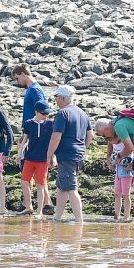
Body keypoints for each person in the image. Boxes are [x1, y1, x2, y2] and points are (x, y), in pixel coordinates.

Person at [46, 85, 93, 222]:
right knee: (62, 187)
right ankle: (57, 217)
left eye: (56, 98)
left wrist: (49, 154)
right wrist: (82, 149)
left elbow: (56, 136)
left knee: (71, 188)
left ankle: (80, 220)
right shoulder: (82, 113)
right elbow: (90, 136)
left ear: (62, 98)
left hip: (67, 155)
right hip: (78, 155)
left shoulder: (63, 113)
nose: (55, 101)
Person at [13, 63, 52, 212]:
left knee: (31, 169)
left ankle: (29, 204)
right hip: (29, 130)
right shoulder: (32, 89)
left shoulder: (35, 90)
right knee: (32, 171)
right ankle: (45, 204)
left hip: (34, 134)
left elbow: (44, 112)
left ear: (23, 74)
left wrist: (29, 136)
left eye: (17, 78)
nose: (18, 82)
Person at [17, 100, 53, 216]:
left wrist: (53, 156)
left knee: (40, 185)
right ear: (36, 112)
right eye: (43, 114)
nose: (45, 116)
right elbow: (24, 140)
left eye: (47, 114)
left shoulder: (50, 124)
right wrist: (19, 154)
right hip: (29, 157)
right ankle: (29, 207)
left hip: (43, 160)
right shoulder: (28, 123)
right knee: (24, 181)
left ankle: (39, 211)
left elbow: (55, 141)